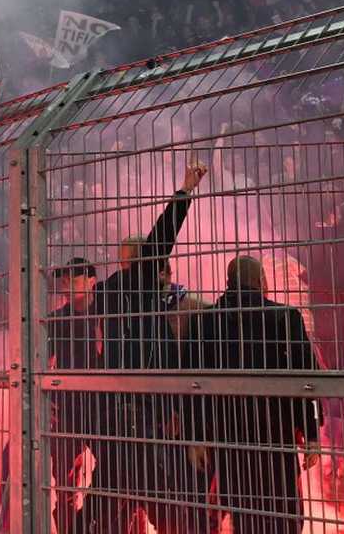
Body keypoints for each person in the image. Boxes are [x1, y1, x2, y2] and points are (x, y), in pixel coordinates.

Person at [83, 159, 209, 534]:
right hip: (134, 417)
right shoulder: (120, 289)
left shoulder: (119, 291)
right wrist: (185, 191)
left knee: (123, 502)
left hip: (134, 416)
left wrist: (184, 192)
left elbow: (160, 238)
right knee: (150, 502)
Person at [185, 256, 321, 534]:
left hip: (229, 441)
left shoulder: (204, 323)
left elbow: (192, 386)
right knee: (284, 517)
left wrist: (196, 436)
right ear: (262, 282)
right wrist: (312, 434)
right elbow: (307, 380)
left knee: (244, 516)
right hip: (275, 438)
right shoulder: (285, 318)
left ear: (228, 283)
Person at [46, 257, 100, 534]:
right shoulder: (56, 321)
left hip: (102, 410)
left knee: (113, 477)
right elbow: (42, 362)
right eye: (64, 279)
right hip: (67, 410)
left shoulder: (106, 316)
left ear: (92, 282)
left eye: (73, 278)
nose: (65, 284)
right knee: (66, 484)